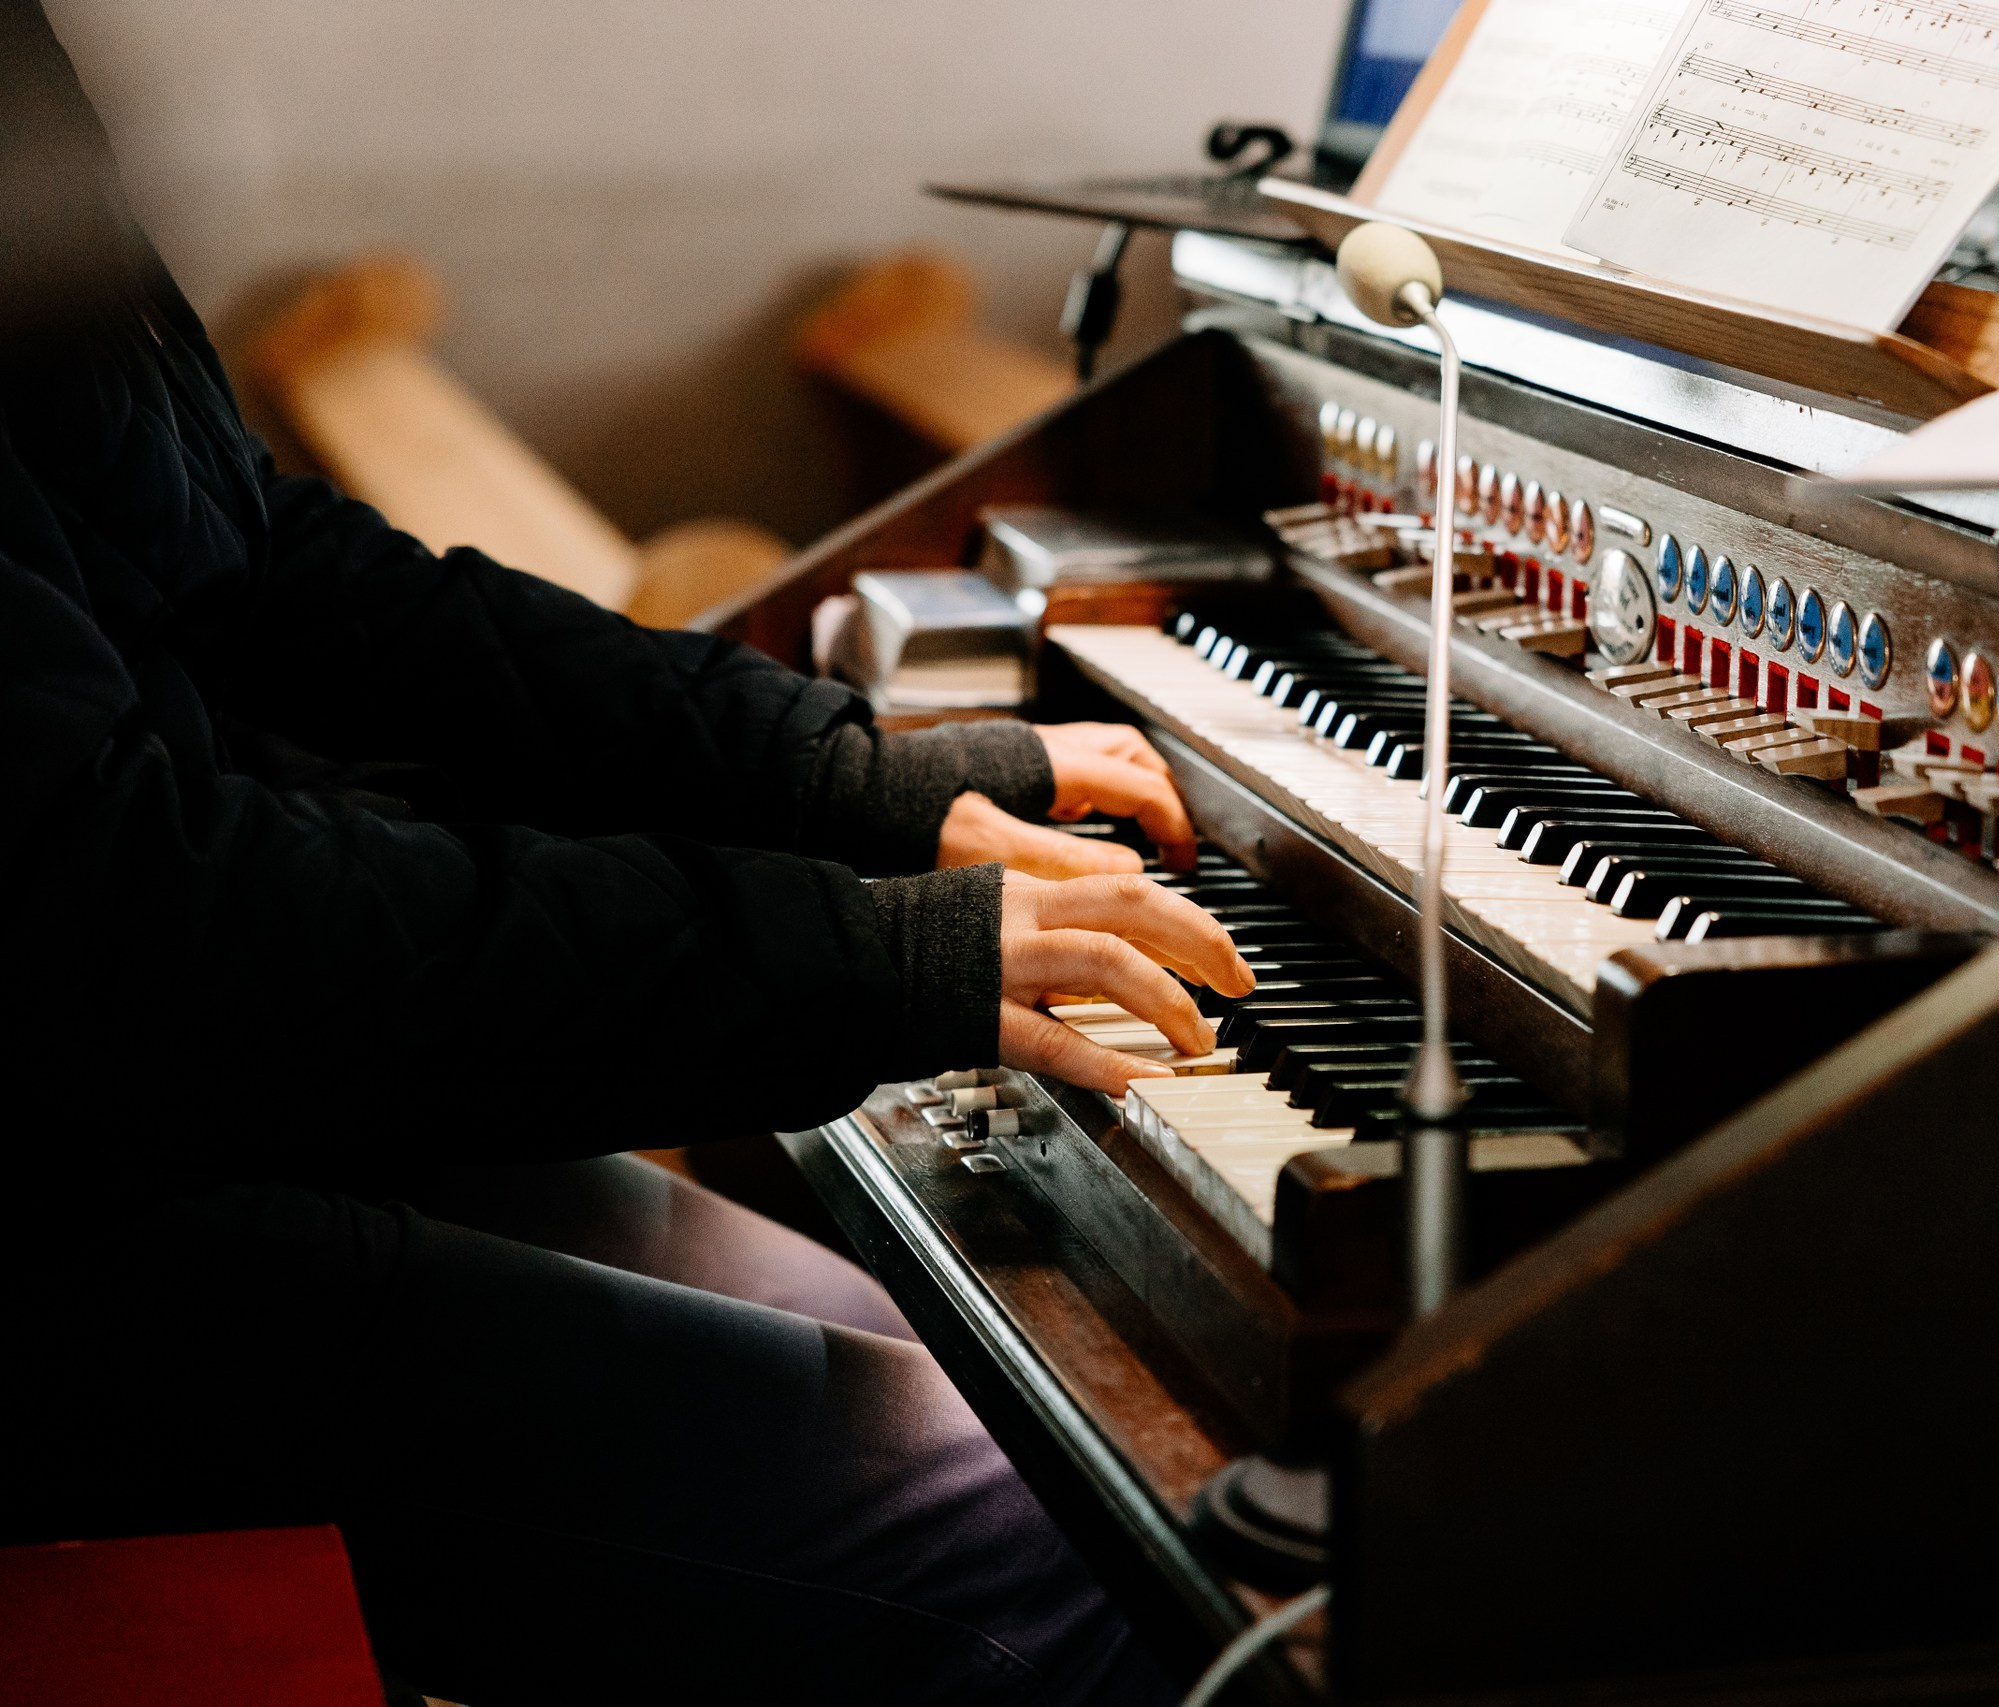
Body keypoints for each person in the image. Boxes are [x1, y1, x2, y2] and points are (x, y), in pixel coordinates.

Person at [0, 2, 1251, 1701]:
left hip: (163, 1089)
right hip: (66, 1213)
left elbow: (254, 567)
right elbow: (138, 928)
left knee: (962, 1362)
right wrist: (860, 956)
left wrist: (843, 781)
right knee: (1053, 1542)